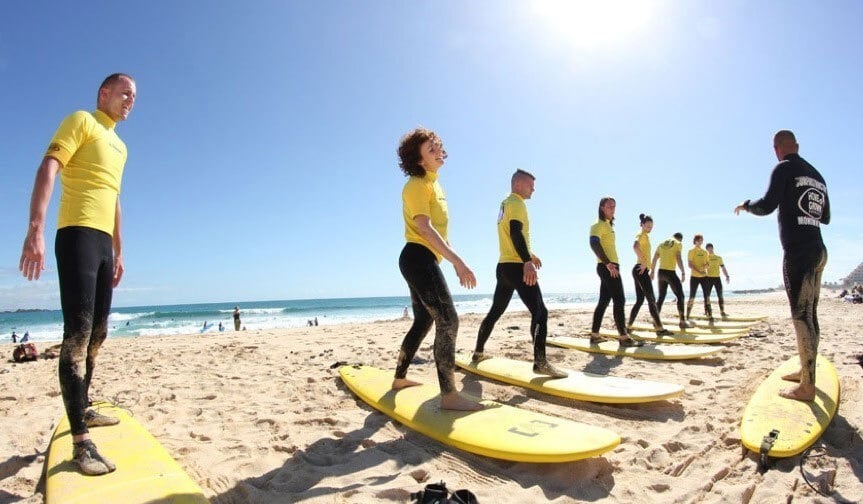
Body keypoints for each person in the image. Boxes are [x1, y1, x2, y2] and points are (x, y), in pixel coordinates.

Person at [19, 73, 136, 475]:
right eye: (124, 92)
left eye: (133, 96)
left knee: (99, 334)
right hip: (76, 236)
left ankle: (83, 406)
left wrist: (119, 249)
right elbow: (49, 167)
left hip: (104, 242)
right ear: (104, 93)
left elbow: (115, 197)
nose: (130, 100)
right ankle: (81, 443)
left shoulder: (120, 145)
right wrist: (35, 228)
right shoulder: (81, 121)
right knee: (77, 335)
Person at [735, 130, 829, 401]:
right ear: (796, 146)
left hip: (799, 254)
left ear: (776, 149)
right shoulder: (817, 176)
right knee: (811, 314)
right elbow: (827, 217)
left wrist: (746, 205)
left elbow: (766, 206)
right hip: (819, 251)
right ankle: (806, 371)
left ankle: (807, 387)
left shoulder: (784, 168)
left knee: (801, 316)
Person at [394, 127, 482, 411]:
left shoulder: (434, 184)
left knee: (424, 320)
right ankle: (449, 395)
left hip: (422, 258)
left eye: (437, 146)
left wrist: (452, 256)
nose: (437, 152)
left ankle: (399, 378)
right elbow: (424, 227)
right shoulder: (417, 185)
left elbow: (441, 232)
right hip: (418, 257)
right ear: (419, 161)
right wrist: (459, 262)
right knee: (448, 320)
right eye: (430, 150)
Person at [473, 169, 567, 377]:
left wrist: (530, 255)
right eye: (530, 185)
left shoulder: (505, 203)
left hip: (504, 267)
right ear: (517, 184)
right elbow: (515, 232)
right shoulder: (517, 203)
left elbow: (511, 235)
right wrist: (526, 261)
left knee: (495, 312)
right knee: (541, 312)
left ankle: (478, 353)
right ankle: (540, 362)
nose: (533, 189)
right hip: (516, 267)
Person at [589, 197, 643, 346]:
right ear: (601, 208)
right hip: (608, 267)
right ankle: (624, 338)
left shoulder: (607, 225)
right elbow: (593, 243)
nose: (612, 209)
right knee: (620, 300)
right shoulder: (598, 225)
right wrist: (608, 264)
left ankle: (594, 335)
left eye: (614, 206)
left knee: (604, 301)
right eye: (609, 206)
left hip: (607, 267)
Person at [627, 214, 673, 335]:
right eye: (647, 226)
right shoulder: (641, 234)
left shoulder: (646, 236)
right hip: (640, 270)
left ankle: (628, 326)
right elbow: (635, 246)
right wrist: (643, 262)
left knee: (640, 300)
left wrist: (650, 269)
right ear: (642, 224)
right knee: (651, 299)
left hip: (640, 270)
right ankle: (659, 328)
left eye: (651, 227)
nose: (649, 229)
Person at [652, 232, 691, 329]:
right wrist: (683, 272)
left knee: (661, 297)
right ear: (680, 239)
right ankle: (682, 322)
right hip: (670, 273)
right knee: (680, 296)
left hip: (660, 273)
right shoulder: (678, 243)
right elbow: (678, 257)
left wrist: (652, 271)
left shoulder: (661, 243)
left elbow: (655, 258)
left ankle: (655, 321)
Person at [686, 234, 713, 322]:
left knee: (707, 296)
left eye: (702, 240)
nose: (701, 241)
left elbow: (708, 264)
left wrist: (705, 267)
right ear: (696, 241)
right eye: (700, 240)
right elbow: (690, 265)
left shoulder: (705, 252)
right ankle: (687, 316)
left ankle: (710, 315)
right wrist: (699, 271)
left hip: (704, 277)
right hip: (694, 277)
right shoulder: (691, 251)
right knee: (692, 296)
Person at [705, 243, 731, 319]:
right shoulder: (705, 258)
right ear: (707, 249)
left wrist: (727, 276)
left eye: (711, 248)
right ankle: (706, 311)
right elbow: (702, 268)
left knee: (720, 295)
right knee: (707, 296)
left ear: (713, 248)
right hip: (708, 278)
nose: (710, 249)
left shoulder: (718, 257)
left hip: (717, 278)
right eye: (708, 248)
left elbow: (723, 268)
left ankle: (722, 311)